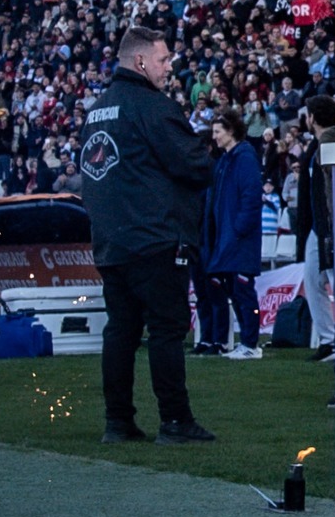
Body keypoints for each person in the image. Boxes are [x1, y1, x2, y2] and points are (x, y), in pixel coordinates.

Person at [78, 25, 217, 445]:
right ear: (140, 61)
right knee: (166, 330)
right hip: (155, 238)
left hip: (111, 243)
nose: (169, 67)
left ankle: (117, 422)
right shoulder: (153, 107)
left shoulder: (96, 111)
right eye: (163, 59)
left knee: (120, 331)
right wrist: (205, 146)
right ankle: (175, 421)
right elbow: (195, 165)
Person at [191, 109, 266, 358]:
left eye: (217, 132)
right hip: (226, 238)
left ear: (230, 131)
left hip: (239, 239)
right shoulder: (225, 160)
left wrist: (238, 229)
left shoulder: (244, 157)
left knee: (244, 291)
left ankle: (250, 344)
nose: (214, 137)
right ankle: (242, 342)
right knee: (233, 290)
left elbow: (251, 196)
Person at [292, 95, 335, 360]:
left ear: (313, 117)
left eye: (308, 114)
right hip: (314, 226)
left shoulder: (330, 145)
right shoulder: (314, 146)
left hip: (327, 225)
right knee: (312, 280)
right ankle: (328, 340)